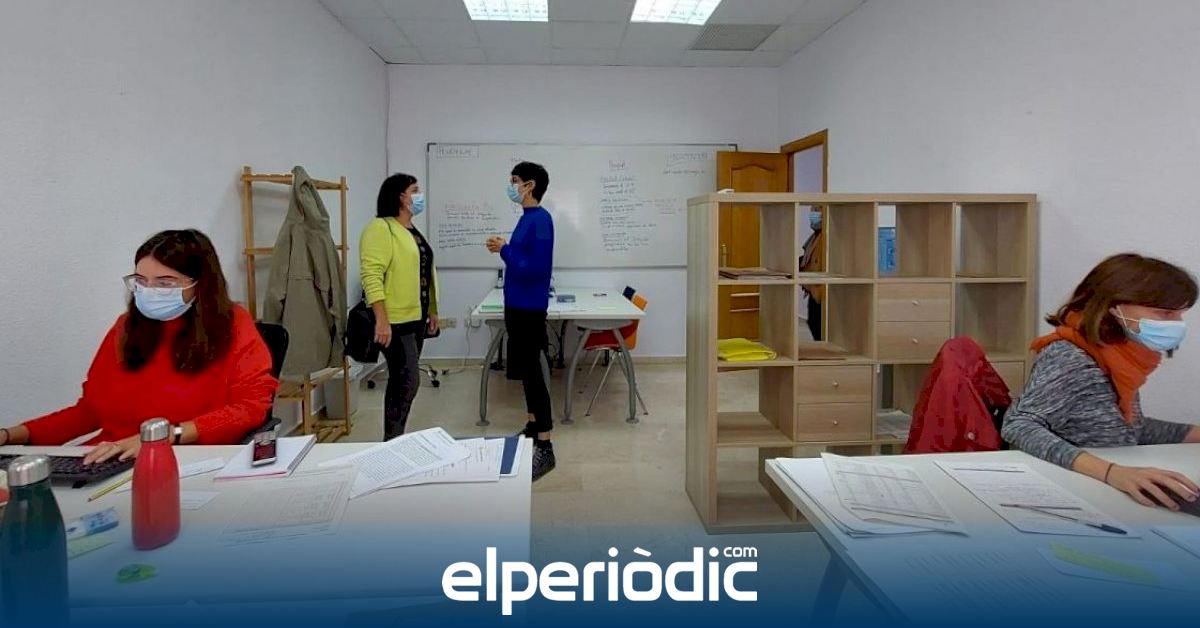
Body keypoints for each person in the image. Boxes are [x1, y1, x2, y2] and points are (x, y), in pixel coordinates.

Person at [0, 230, 278, 463]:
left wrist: (165, 436)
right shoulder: (126, 328)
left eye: (165, 283)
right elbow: (90, 412)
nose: (150, 291)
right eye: (141, 282)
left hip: (184, 461)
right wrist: (12, 435)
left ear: (200, 286)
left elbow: (250, 408)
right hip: (109, 459)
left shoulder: (233, 325)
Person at [1002, 253, 1200, 510]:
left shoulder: (1121, 356)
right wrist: (1113, 473)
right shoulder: (1071, 356)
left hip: (1101, 484)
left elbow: (1127, 428)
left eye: (1180, 315)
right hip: (1070, 489)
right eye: (1165, 313)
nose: (1177, 324)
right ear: (1114, 305)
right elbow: (1019, 425)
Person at [486, 161, 555, 480]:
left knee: (535, 376)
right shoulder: (527, 218)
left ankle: (546, 445)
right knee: (527, 373)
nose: (511, 186)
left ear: (530, 186)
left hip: (528, 309)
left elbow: (534, 268)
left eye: (515, 181)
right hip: (517, 306)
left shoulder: (540, 220)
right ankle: (532, 425)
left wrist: (505, 250)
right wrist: (506, 250)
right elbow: (522, 259)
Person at [360, 173, 439, 439]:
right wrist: (381, 319)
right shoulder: (381, 228)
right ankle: (392, 441)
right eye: (414, 190)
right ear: (400, 197)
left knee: (404, 383)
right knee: (407, 382)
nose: (419, 195)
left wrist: (432, 310)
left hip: (416, 316)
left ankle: (394, 438)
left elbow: (424, 272)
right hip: (395, 320)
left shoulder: (410, 230)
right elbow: (372, 275)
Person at [800, 206, 825, 341]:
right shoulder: (815, 236)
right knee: (813, 323)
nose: (813, 214)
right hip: (813, 288)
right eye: (812, 210)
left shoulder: (827, 236)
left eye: (817, 209)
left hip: (821, 290)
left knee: (818, 326)